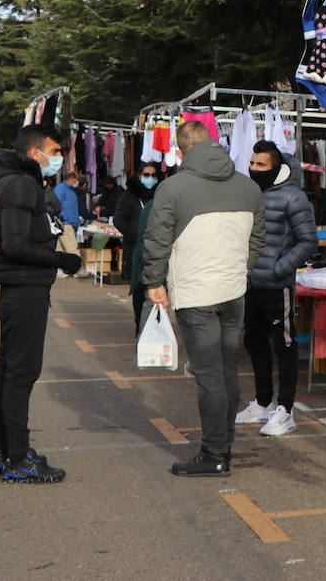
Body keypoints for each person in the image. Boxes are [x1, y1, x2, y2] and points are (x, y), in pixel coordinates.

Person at [142, 121, 264, 477]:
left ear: (180, 151)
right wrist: (243, 269)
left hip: (195, 293)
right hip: (234, 290)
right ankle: (223, 446)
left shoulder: (172, 187)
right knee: (227, 371)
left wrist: (153, 281)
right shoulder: (248, 186)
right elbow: (259, 237)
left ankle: (215, 454)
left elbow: (157, 238)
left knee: (209, 375)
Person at [0, 125, 84, 482]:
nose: (59, 158)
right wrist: (60, 260)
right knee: (20, 374)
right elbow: (15, 244)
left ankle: (7, 450)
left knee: (7, 371)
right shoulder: (22, 184)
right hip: (25, 290)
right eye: (54, 150)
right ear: (35, 152)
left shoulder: (2, 183)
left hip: (15, 288)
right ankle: (19, 458)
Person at [236, 141, 317, 437]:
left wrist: (279, 269)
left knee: (283, 345)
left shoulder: (294, 197)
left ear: (277, 167)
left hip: (276, 284)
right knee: (254, 342)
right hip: (249, 282)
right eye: (252, 163)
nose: (254, 169)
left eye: (261, 165)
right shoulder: (249, 192)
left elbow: (308, 241)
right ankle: (262, 402)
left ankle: (285, 410)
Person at [113, 163, 159, 331]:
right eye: (146, 175)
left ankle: (155, 327)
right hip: (135, 250)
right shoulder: (129, 196)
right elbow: (118, 219)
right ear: (140, 175)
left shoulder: (160, 194)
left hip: (157, 248)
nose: (150, 178)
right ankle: (139, 325)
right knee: (139, 290)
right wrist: (136, 233)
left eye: (153, 175)